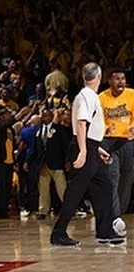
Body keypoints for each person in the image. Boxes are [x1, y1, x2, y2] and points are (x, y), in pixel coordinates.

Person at [50, 62, 125, 246]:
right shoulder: (87, 95)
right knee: (75, 191)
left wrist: (96, 149)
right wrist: (84, 151)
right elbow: (82, 123)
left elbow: (89, 128)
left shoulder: (89, 95)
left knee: (105, 186)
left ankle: (105, 231)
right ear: (99, 78)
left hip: (90, 147)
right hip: (83, 147)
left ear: (84, 77)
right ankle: (58, 233)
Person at [99, 68, 134, 233]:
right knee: (113, 178)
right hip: (109, 143)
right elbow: (96, 120)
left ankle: (118, 215)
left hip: (128, 142)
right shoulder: (101, 98)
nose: (120, 81)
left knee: (126, 181)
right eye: (117, 78)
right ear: (110, 81)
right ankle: (115, 218)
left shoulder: (132, 94)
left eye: (123, 78)